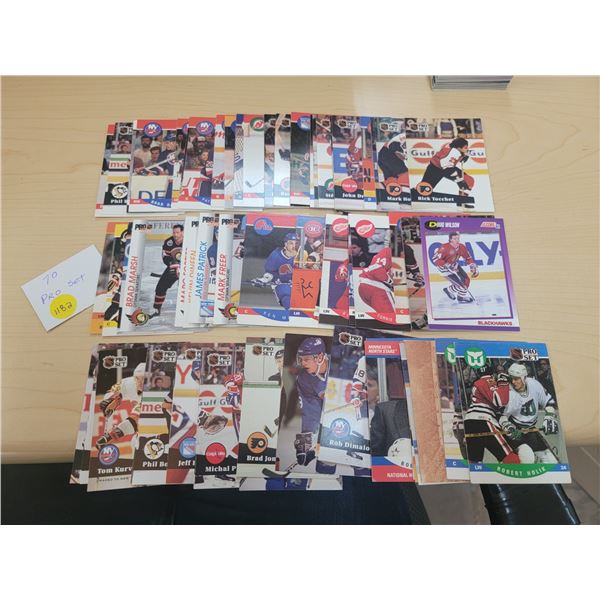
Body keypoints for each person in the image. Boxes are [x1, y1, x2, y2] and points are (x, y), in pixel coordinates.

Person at [499, 363, 559, 464]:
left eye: (516, 379)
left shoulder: (534, 384)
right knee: (527, 457)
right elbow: (500, 416)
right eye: (511, 378)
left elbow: (549, 402)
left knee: (551, 461)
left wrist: (550, 416)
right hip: (515, 432)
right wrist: (508, 426)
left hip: (531, 430)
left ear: (524, 378)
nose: (513, 382)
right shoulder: (508, 393)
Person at [293, 337, 335, 474]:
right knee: (326, 462)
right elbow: (310, 411)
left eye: (306, 359)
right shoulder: (304, 379)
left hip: (356, 419)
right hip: (331, 422)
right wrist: (307, 440)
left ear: (320, 357)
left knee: (362, 467)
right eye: (301, 359)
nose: (303, 363)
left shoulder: (341, 365)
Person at [462, 367, 520, 464]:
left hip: (469, 422)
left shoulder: (477, 383)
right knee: (511, 459)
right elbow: (500, 401)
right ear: (493, 374)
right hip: (483, 420)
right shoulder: (488, 380)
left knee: (474, 463)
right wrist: (503, 382)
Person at [95, 362, 145, 450]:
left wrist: (111, 435)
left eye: (144, 379)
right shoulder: (130, 383)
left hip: (157, 432)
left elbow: (135, 421)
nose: (140, 383)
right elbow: (115, 389)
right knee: (136, 442)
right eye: (137, 378)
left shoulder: (156, 393)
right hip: (141, 434)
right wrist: (110, 399)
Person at [250, 232, 299, 309]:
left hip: (300, 285)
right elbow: (270, 273)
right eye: (291, 243)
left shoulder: (302, 255)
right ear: (285, 244)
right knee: (287, 300)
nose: (294, 246)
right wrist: (264, 280)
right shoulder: (276, 255)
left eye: (296, 243)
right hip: (282, 285)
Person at [433, 232, 479, 303]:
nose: (457, 240)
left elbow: (468, 258)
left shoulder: (462, 247)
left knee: (466, 281)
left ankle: (461, 297)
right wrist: (446, 265)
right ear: (450, 239)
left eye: (458, 238)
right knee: (460, 286)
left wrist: (472, 266)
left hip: (454, 265)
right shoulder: (444, 248)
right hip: (444, 269)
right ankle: (448, 290)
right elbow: (435, 260)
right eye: (455, 239)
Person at [151, 224, 184, 318]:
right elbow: (165, 257)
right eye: (174, 232)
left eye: (177, 232)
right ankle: (157, 308)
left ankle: (190, 308)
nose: (175, 234)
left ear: (182, 232)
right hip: (173, 267)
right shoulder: (168, 242)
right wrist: (171, 263)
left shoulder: (190, 240)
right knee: (160, 287)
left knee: (191, 289)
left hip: (188, 268)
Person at [357, 246, 395, 318]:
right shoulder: (388, 251)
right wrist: (390, 282)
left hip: (364, 288)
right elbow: (375, 268)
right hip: (377, 288)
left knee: (384, 317)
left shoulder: (385, 252)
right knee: (391, 317)